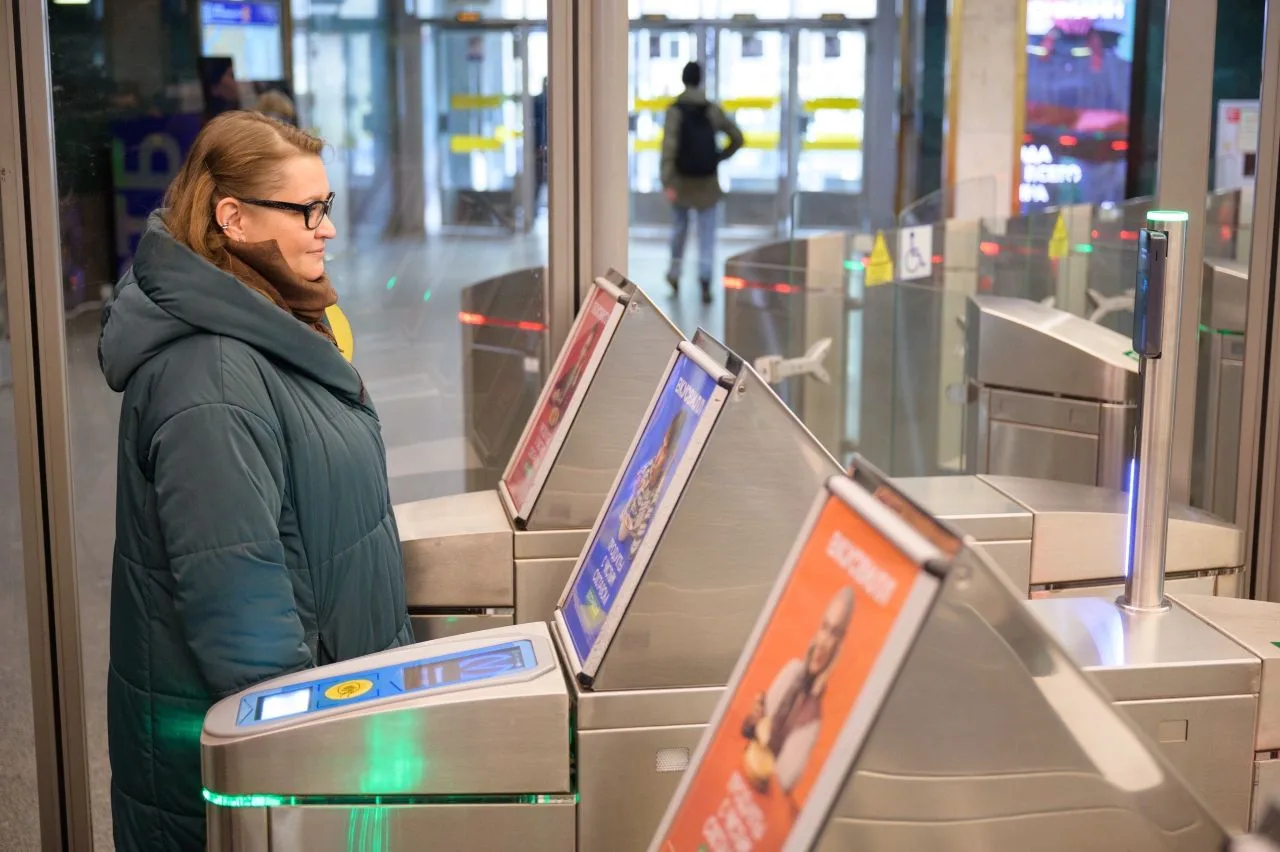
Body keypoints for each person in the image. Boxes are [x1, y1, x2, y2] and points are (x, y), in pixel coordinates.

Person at [98, 111, 413, 851]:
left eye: (325, 206)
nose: (326, 229)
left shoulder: (270, 325)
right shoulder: (210, 379)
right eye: (306, 211)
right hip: (274, 775)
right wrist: (310, 775)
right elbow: (243, 623)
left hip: (321, 731)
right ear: (233, 219)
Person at [740, 587, 855, 796]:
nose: (823, 642)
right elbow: (757, 727)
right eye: (824, 627)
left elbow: (785, 778)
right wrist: (754, 719)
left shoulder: (813, 718)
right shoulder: (792, 671)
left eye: (834, 634)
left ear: (840, 646)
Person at [661, 61, 744, 305]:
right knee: (707, 234)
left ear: (683, 79)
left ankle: (674, 273)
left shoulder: (674, 110)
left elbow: (669, 148)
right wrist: (719, 157)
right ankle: (705, 280)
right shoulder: (711, 109)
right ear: (700, 80)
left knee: (679, 230)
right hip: (707, 183)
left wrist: (667, 181)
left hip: (682, 182)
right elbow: (737, 137)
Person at [616, 410, 688, 557]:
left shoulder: (661, 460)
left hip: (647, 491)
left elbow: (653, 477)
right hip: (646, 489)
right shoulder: (662, 458)